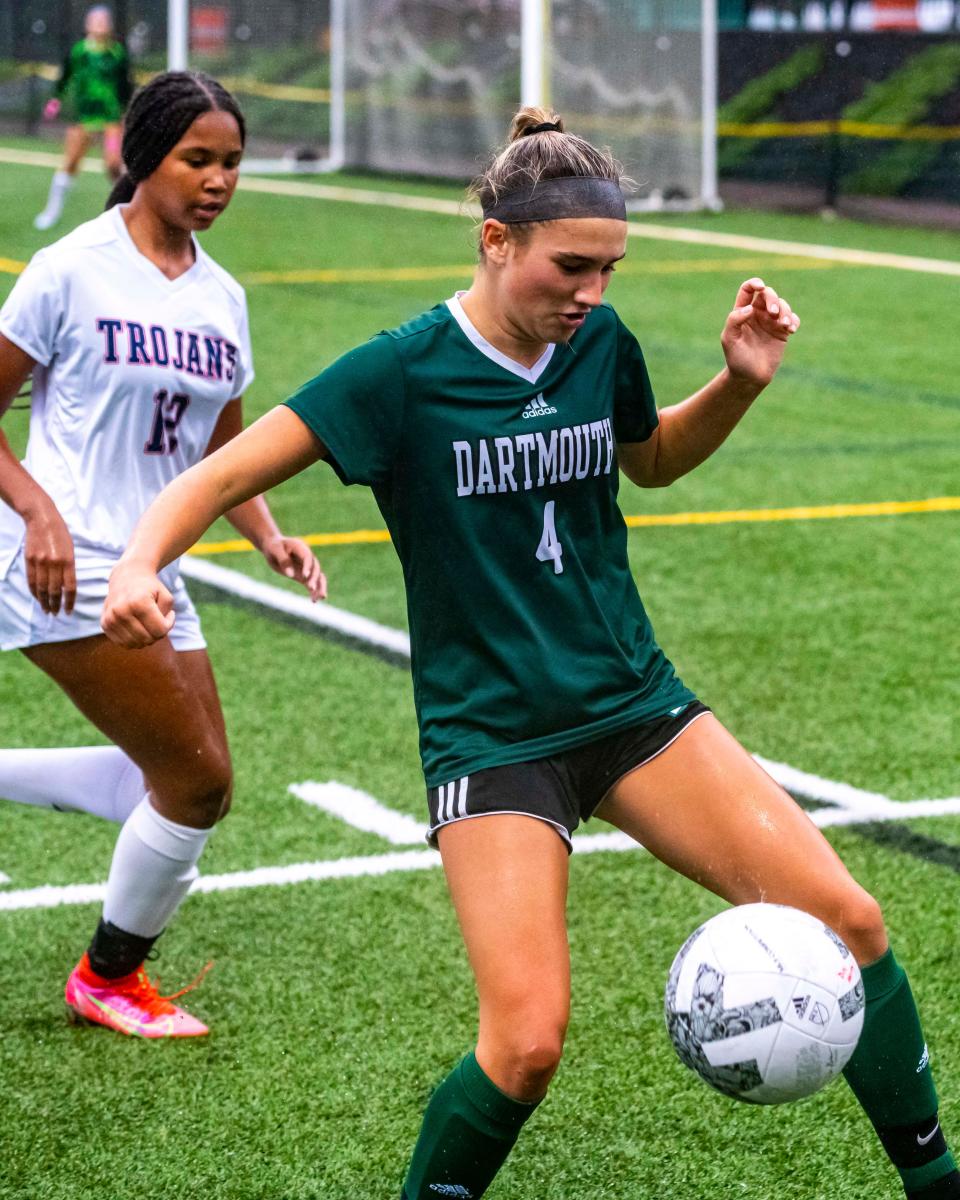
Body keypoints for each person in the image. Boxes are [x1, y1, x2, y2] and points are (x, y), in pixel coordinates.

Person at [102, 108, 958, 1198]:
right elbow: (214, 479)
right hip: (494, 738)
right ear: (496, 241)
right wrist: (139, 566)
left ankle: (935, 1181)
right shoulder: (400, 373)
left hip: (635, 708)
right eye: (570, 266)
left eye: (609, 268)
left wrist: (737, 382)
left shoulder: (599, 343)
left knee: (852, 921)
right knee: (526, 1045)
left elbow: (648, 464)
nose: (591, 293)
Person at [0, 70, 323, 1038]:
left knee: (184, 777)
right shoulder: (71, 267)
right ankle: (107, 978)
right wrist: (38, 514)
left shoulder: (223, 298)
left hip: (155, 567)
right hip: (61, 563)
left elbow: (224, 453)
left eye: (232, 163)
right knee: (195, 781)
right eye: (199, 159)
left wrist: (270, 536)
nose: (219, 180)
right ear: (144, 157)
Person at [33, 6, 132, 231]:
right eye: (96, 21)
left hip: (110, 119)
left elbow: (126, 85)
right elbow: (64, 78)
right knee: (70, 163)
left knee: (114, 164)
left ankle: (125, 214)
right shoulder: (78, 52)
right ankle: (52, 211)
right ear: (87, 25)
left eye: (104, 20)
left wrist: (127, 111)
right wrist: (54, 102)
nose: (100, 24)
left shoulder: (117, 53)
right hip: (83, 118)